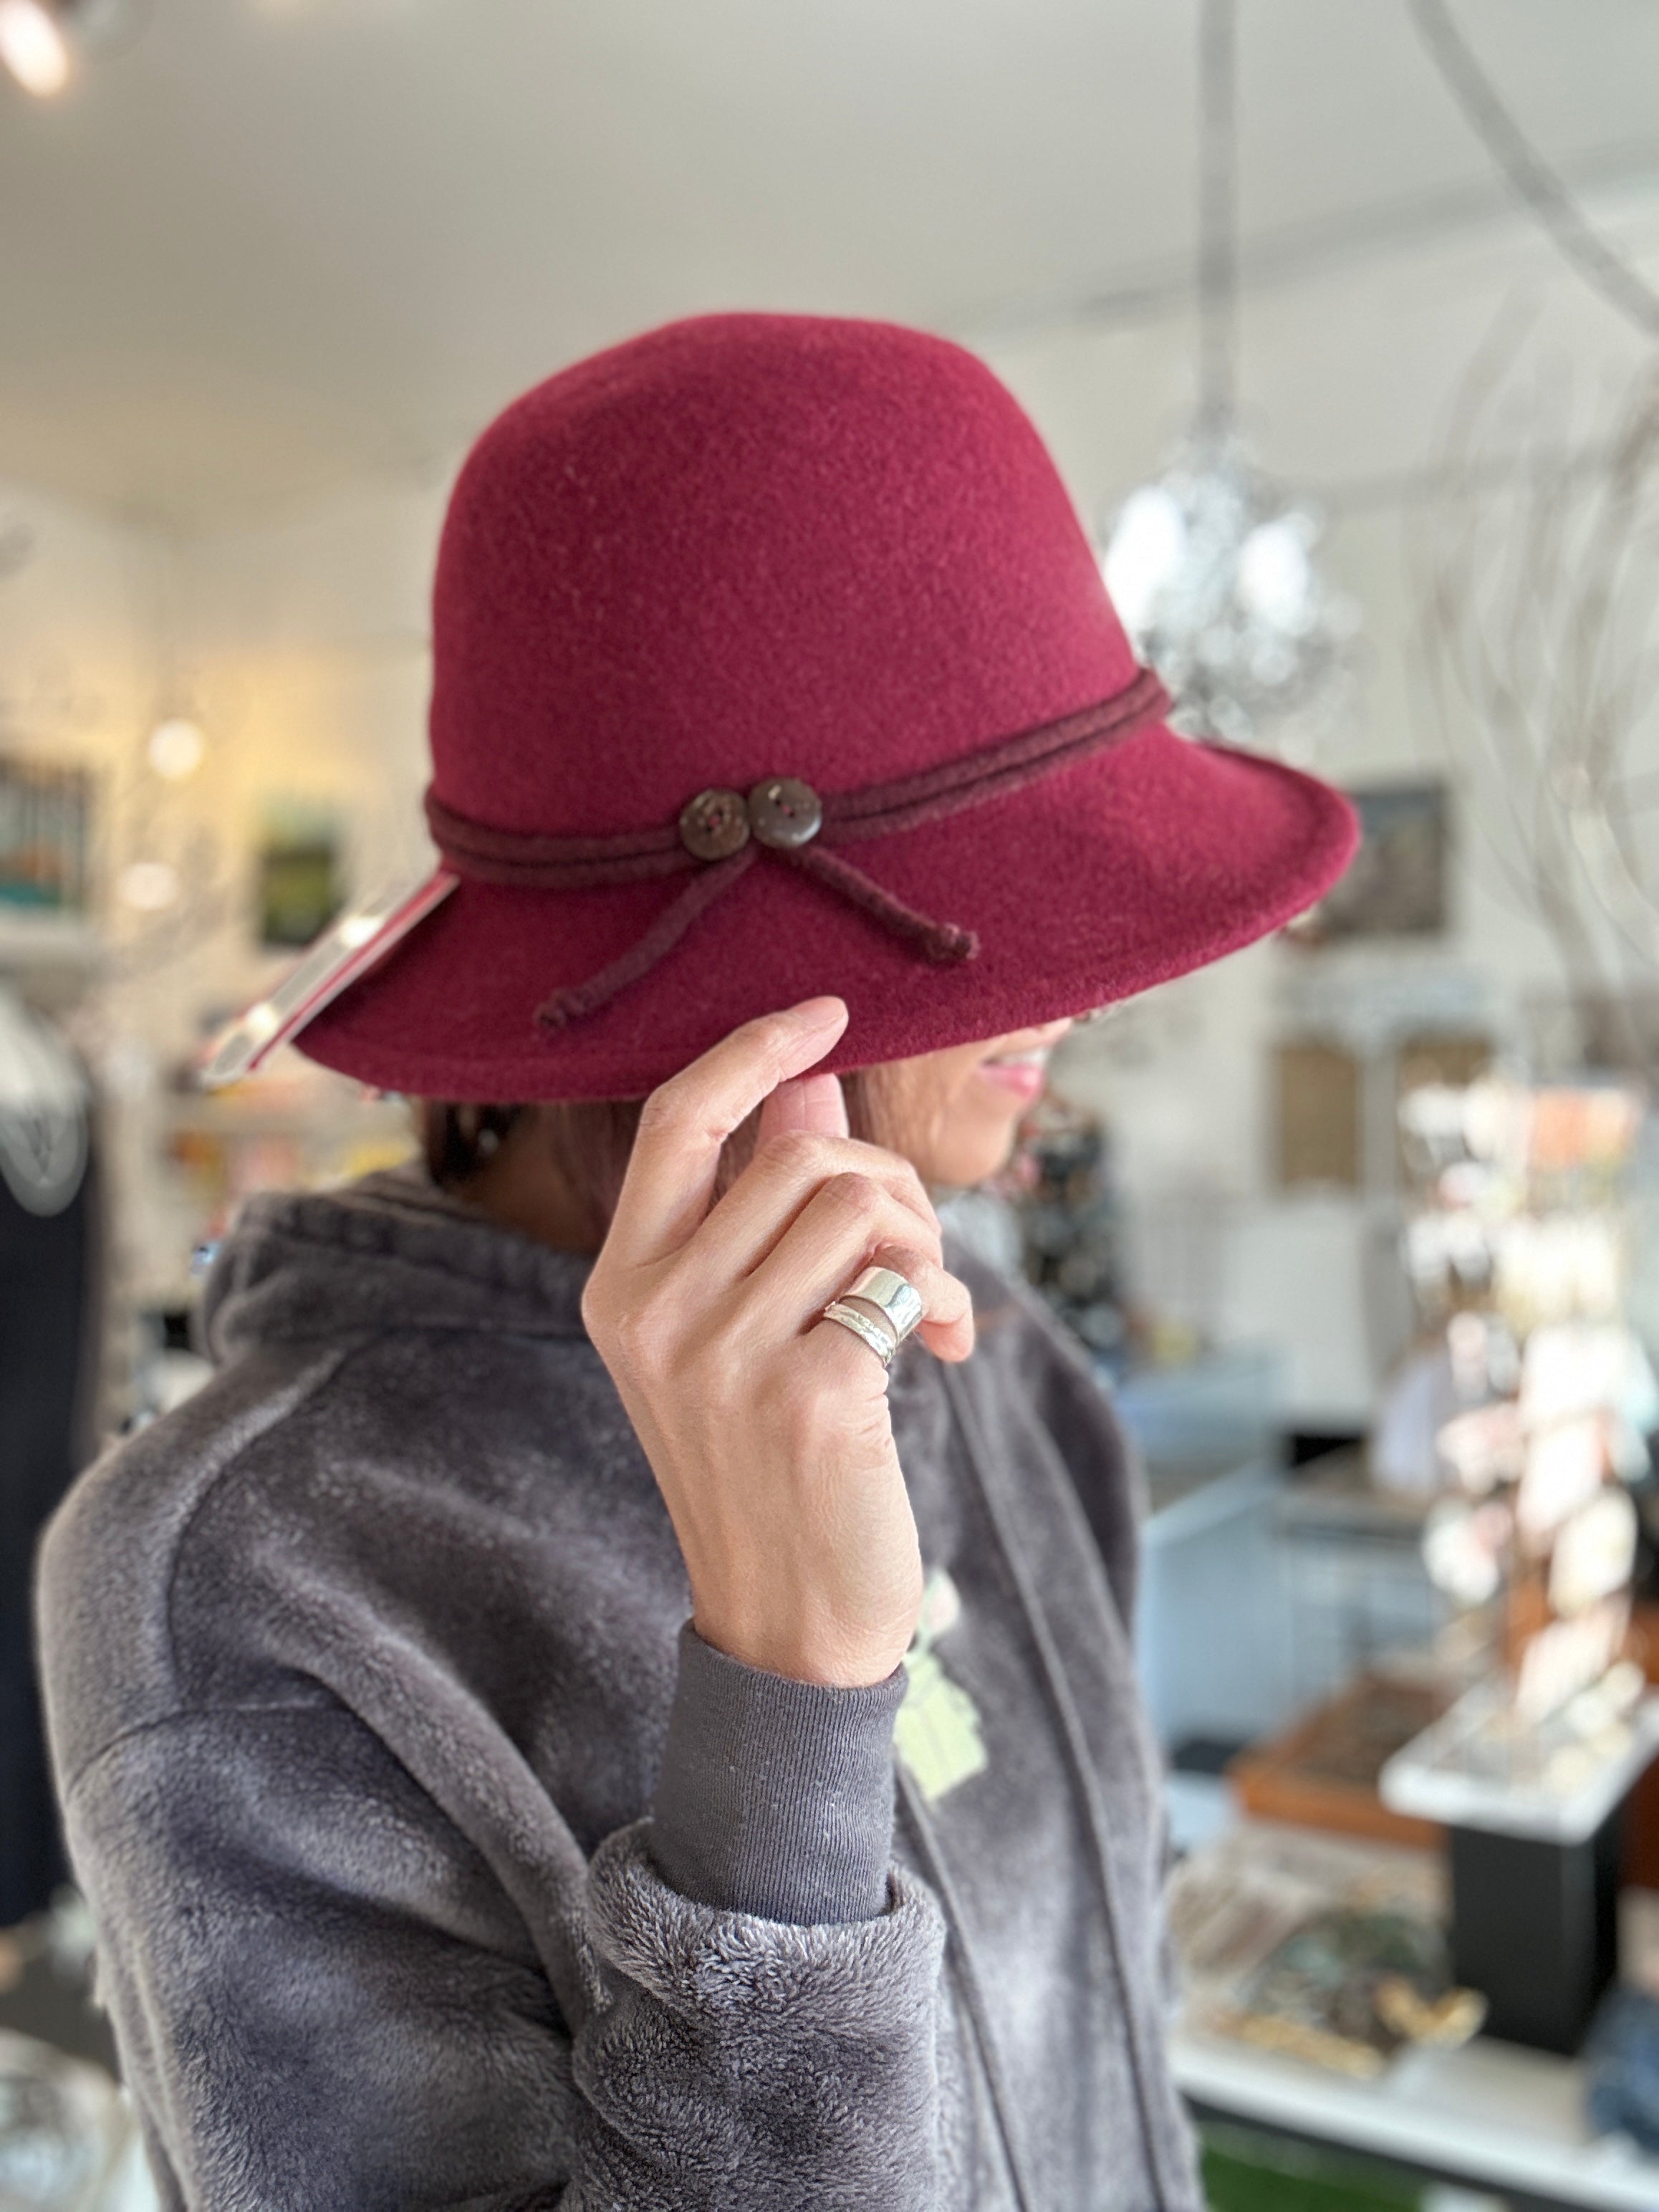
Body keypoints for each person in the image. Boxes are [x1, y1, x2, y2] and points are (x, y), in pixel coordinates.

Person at [37, 314, 1355, 2211]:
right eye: (993, 899)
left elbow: (1106, 2032)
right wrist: (788, 1704)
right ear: (724, 988)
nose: (1105, 984)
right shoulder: (249, 1575)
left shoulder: (1005, 1378)